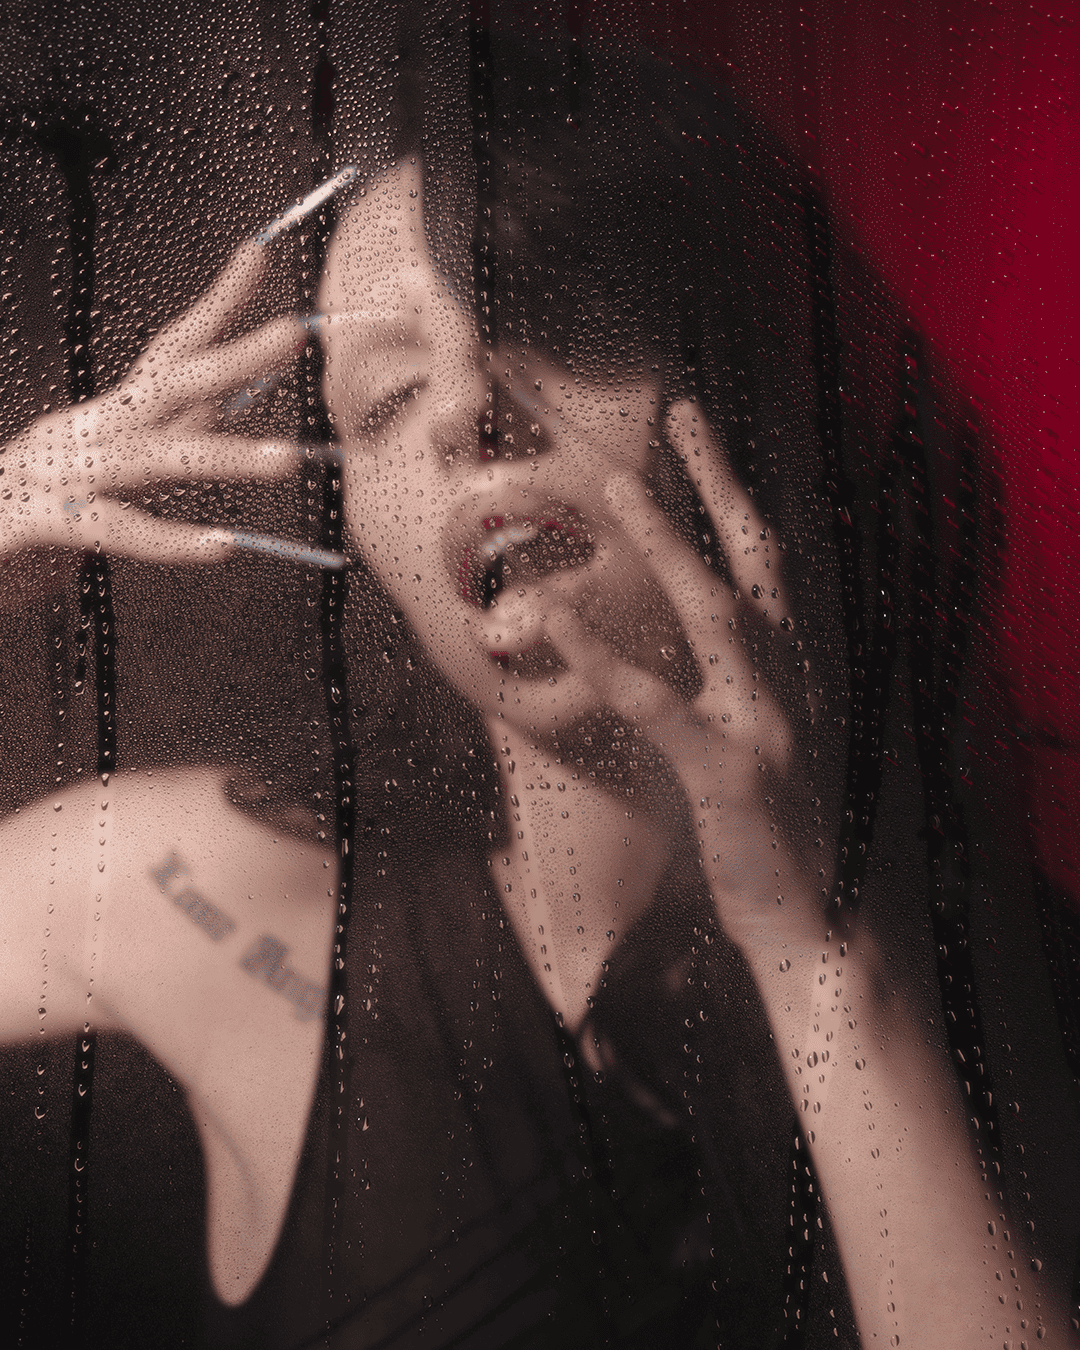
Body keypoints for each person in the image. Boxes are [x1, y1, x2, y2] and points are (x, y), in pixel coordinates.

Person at [0, 33, 1074, 1349]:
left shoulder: (1031, 1002)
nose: (465, 410)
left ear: (746, 366)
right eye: (386, 394)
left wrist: (825, 959)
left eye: (546, 315)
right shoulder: (228, 905)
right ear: (371, 561)